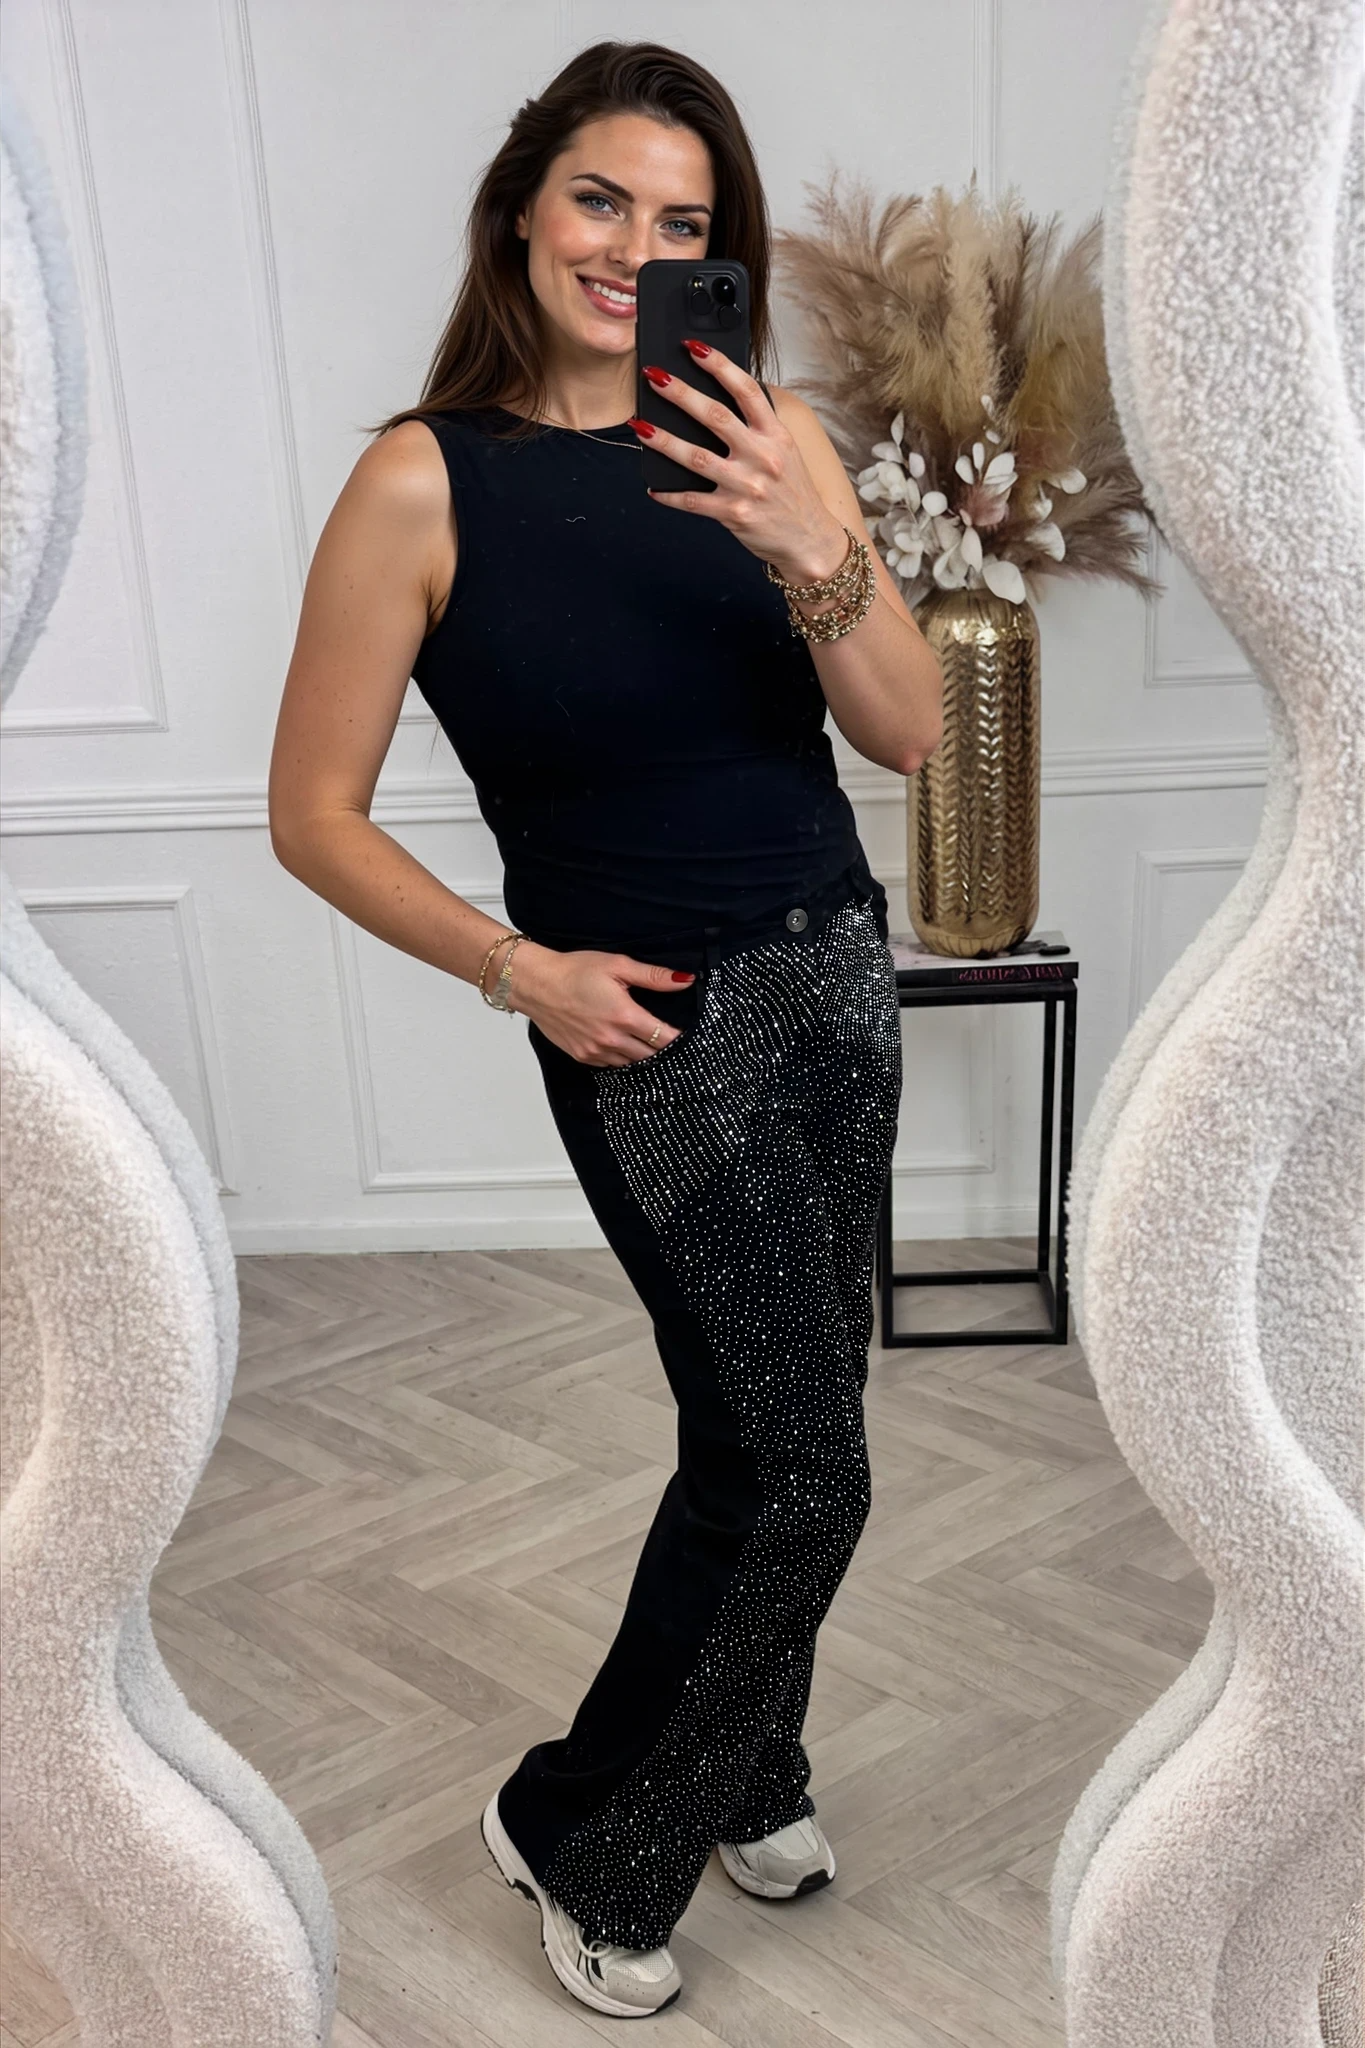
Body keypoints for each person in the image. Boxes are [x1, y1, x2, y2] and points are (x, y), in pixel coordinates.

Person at [268, 38, 942, 2022]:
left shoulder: (770, 435)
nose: (634, 247)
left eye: (682, 221)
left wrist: (805, 541)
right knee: (795, 1464)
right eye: (599, 199)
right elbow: (311, 814)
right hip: (653, 1026)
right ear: (519, 211)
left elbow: (909, 731)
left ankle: (754, 1765)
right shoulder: (423, 479)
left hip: (837, 984)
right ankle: (585, 1827)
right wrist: (518, 970)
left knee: (791, 1415)